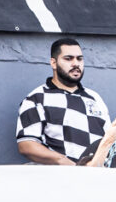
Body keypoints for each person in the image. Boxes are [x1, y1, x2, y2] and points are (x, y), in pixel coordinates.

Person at [14, 36, 110, 165]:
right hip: (57, 179)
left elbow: (108, 141)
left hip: (94, 178)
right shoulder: (37, 98)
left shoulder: (95, 98)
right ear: (53, 63)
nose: (76, 63)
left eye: (79, 59)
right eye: (68, 58)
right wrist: (64, 162)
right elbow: (26, 145)